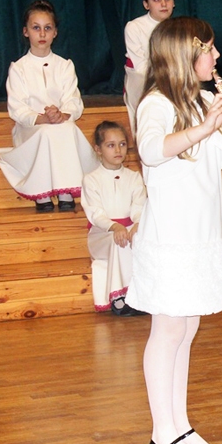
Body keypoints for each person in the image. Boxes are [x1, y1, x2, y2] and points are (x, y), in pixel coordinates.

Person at [124, 16, 222, 444]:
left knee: (187, 330)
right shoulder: (156, 103)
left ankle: (179, 426)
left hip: (202, 235)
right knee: (168, 331)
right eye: (209, 49)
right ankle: (162, 435)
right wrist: (205, 127)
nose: (216, 56)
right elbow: (151, 150)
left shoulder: (204, 99)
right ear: (185, 55)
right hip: (170, 238)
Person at [0, 0, 97, 212]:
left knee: (67, 128)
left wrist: (62, 114)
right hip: (31, 129)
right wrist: (42, 118)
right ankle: (42, 190)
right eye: (36, 28)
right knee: (47, 132)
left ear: (55, 32)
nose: (42, 34)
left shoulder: (64, 65)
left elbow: (73, 100)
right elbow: (17, 108)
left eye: (47, 28)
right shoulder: (19, 68)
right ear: (26, 31)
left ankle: (66, 188)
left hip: (59, 124)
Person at [82, 121, 147, 315]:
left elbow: (139, 206)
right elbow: (96, 213)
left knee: (139, 238)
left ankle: (142, 293)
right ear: (98, 149)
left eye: (122, 144)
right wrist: (115, 227)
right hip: (102, 235)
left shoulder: (134, 177)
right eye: (111, 145)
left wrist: (137, 224)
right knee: (120, 241)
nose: (118, 150)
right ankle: (119, 298)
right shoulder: (91, 179)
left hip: (128, 229)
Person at [124, 0, 175, 132]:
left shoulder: (179, 28)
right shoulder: (135, 27)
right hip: (144, 82)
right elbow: (141, 67)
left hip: (174, 82)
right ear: (146, 4)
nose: (164, 4)